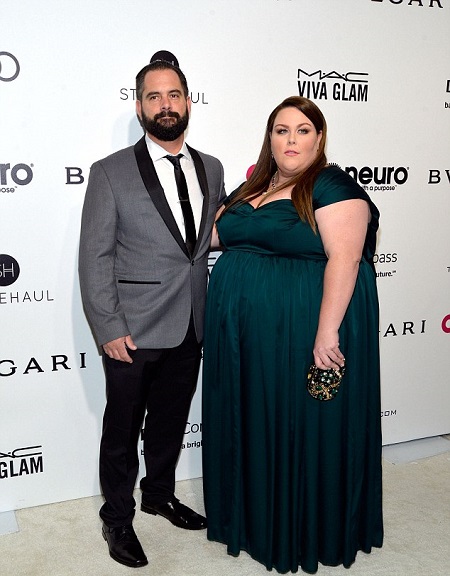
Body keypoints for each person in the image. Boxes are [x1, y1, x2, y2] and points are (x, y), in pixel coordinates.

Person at [202, 96, 383, 574]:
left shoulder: (330, 184)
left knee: (299, 425)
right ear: (270, 138)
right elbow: (214, 237)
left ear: (319, 139)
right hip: (246, 338)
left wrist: (326, 334)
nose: (291, 140)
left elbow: (345, 259)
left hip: (300, 329)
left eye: (303, 130)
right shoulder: (254, 185)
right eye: (281, 130)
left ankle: (302, 529)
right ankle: (252, 519)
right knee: (253, 419)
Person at [78, 59, 225, 568]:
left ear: (188, 101)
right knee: (121, 430)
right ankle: (117, 519)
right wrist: (109, 328)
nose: (166, 105)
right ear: (139, 105)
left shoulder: (212, 167)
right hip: (132, 331)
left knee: (169, 421)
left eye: (175, 95)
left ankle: (158, 494)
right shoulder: (110, 171)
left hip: (190, 322)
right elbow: (94, 256)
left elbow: (203, 239)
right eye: (155, 96)